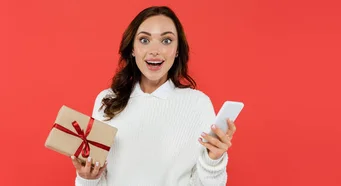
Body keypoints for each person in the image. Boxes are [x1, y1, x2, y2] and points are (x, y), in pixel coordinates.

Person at [70, 6, 236, 186]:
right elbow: (99, 178)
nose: (155, 50)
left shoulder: (198, 104)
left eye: (166, 40)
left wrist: (213, 162)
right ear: (132, 49)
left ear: (177, 50)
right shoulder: (107, 101)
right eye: (144, 40)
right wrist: (87, 179)